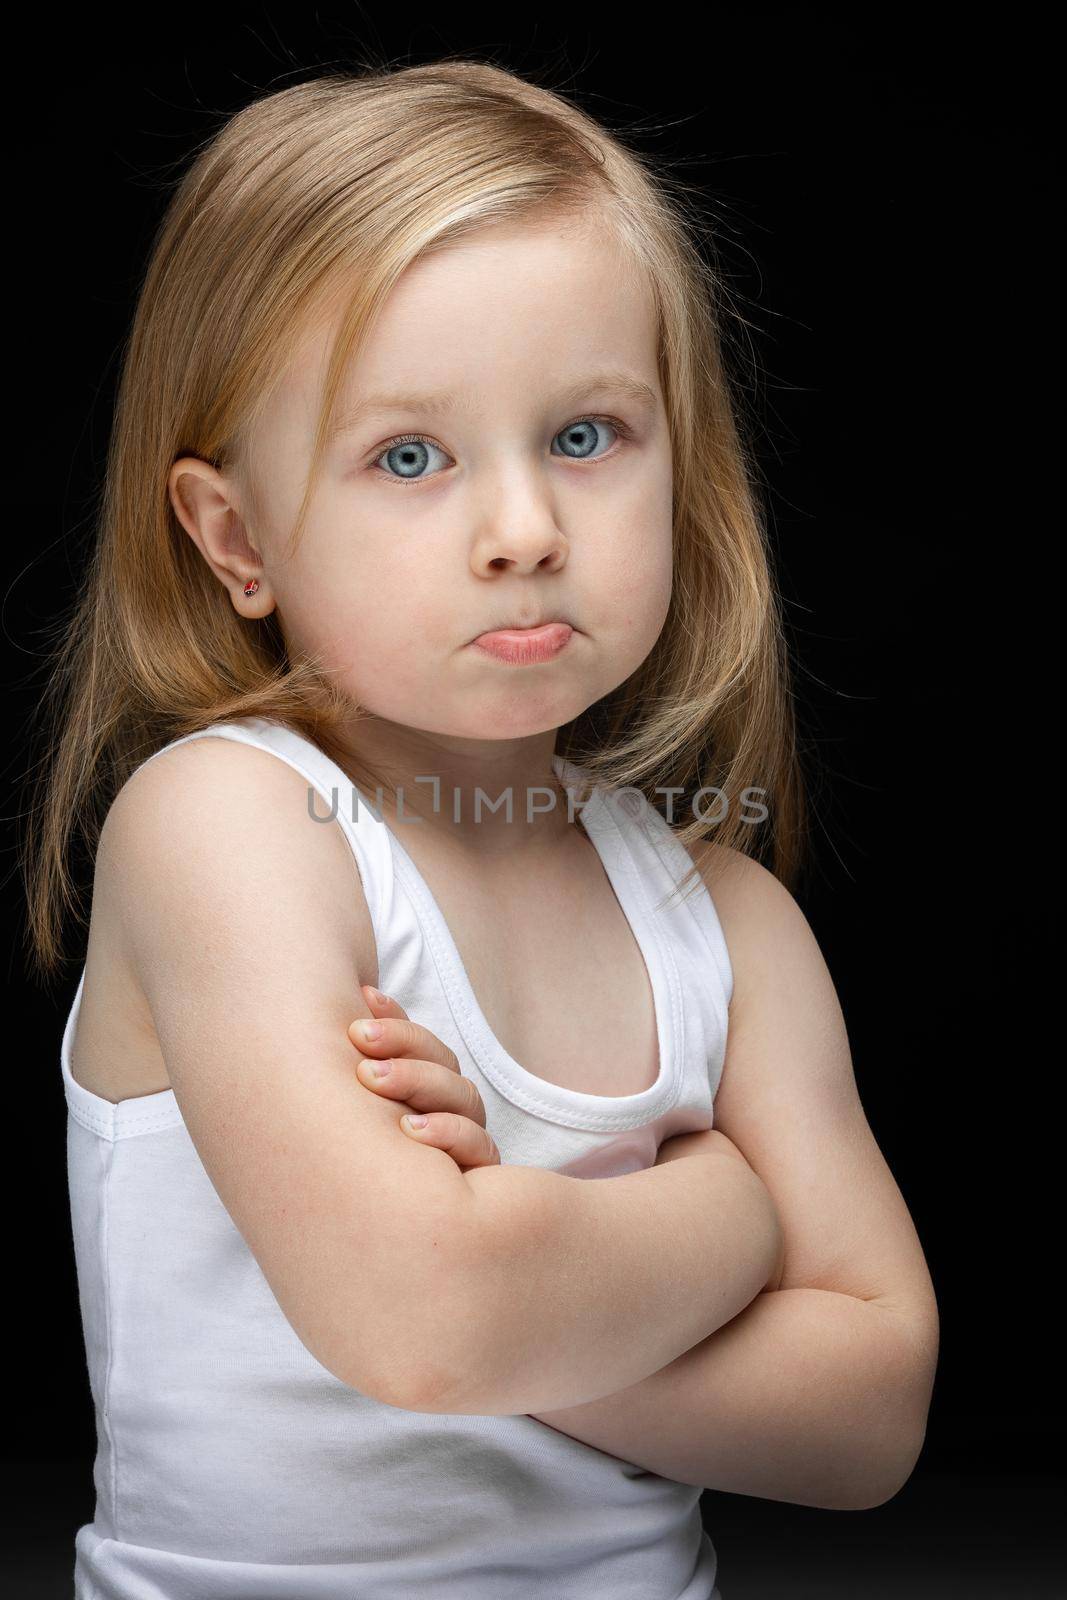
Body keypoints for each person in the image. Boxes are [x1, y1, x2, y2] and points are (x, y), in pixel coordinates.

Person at [22, 58, 939, 1599]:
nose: (524, 531)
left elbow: (872, 1419)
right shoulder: (231, 827)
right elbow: (423, 1320)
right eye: (409, 458)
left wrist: (524, 1275)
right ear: (234, 538)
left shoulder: (725, 919)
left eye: (587, 437)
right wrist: (726, 1211)